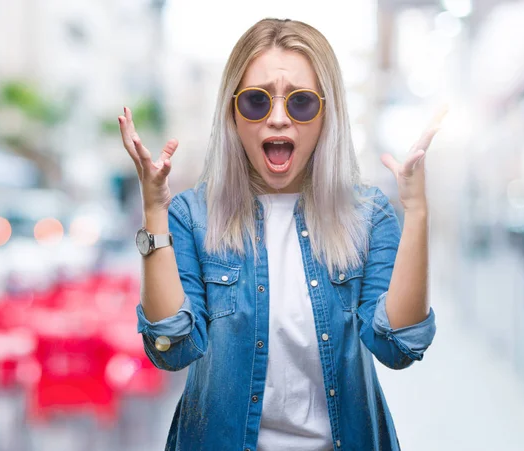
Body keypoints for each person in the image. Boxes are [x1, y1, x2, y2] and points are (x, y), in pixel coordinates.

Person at [119, 17, 439, 451]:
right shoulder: (194, 215)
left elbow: (397, 347)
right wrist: (155, 210)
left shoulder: (367, 215)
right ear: (232, 113)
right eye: (256, 101)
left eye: (301, 103)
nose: (277, 119)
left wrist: (417, 211)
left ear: (328, 114)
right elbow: (170, 348)